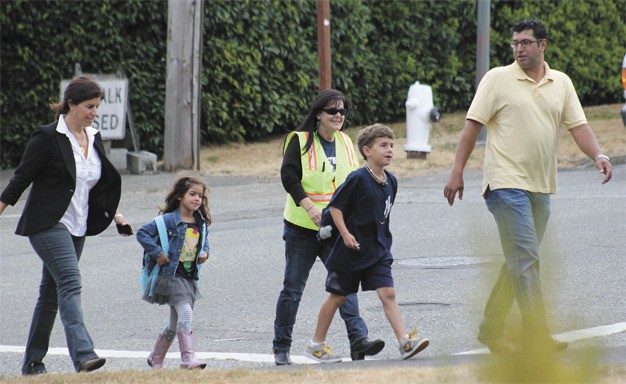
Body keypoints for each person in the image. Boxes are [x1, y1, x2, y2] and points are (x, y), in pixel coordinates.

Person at [443, 18, 613, 354]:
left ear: (542, 45)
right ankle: (536, 335)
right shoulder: (497, 79)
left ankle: (491, 329)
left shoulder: (560, 83)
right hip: (505, 185)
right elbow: (471, 128)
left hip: (541, 186)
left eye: (526, 42)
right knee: (526, 259)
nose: (519, 48)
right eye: (515, 43)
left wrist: (598, 155)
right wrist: (457, 171)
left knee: (520, 261)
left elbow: (578, 127)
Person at [0, 76, 130, 374]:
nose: (94, 112)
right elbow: (21, 178)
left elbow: (96, 187)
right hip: (47, 223)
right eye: (89, 106)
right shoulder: (47, 137)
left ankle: (33, 363)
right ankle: (84, 355)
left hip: (78, 226)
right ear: (70, 104)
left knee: (50, 294)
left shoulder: (94, 137)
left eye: (97, 106)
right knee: (70, 281)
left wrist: (117, 215)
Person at [273, 89, 384, 365]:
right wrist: (309, 206)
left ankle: (358, 340)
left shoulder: (347, 142)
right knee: (293, 288)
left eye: (343, 111)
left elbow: (354, 184)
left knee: (344, 283)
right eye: (332, 111)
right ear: (319, 114)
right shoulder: (299, 141)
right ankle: (281, 348)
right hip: (302, 227)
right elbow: (289, 177)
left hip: (334, 227)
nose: (338, 116)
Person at [304, 124, 429, 363]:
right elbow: (336, 208)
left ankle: (404, 342)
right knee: (338, 296)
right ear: (367, 150)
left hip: (378, 250)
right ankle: (316, 344)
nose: (390, 150)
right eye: (383, 145)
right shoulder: (357, 178)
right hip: (350, 251)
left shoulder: (391, 181)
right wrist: (346, 234)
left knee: (388, 293)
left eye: (392, 145)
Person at [136, 176, 211, 370]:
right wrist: (157, 252)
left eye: (200, 196)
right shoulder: (167, 220)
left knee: (174, 322)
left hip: (188, 277)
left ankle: (155, 357)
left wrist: (205, 253)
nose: (197, 199)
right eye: (192, 194)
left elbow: (204, 243)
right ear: (179, 196)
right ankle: (187, 359)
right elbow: (142, 233)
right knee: (185, 312)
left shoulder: (200, 222)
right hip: (169, 276)